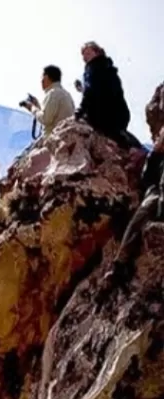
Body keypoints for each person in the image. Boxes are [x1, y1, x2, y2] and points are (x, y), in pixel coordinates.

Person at [103, 132, 163, 290]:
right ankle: (120, 263)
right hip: (157, 192)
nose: (158, 139)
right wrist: (155, 154)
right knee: (140, 216)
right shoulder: (156, 157)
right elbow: (147, 179)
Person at [73, 41, 132, 145]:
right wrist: (83, 89)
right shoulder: (106, 67)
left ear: (97, 53)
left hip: (105, 117)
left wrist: (79, 112)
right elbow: (100, 91)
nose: (84, 57)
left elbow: (91, 93)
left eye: (88, 53)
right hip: (119, 116)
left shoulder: (94, 68)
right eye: (83, 55)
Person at [22, 65, 75, 136]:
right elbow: (53, 115)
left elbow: (45, 119)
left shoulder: (53, 93)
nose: (41, 81)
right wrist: (37, 106)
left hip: (54, 138)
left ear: (46, 77)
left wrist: (32, 108)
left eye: (41, 77)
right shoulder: (67, 94)